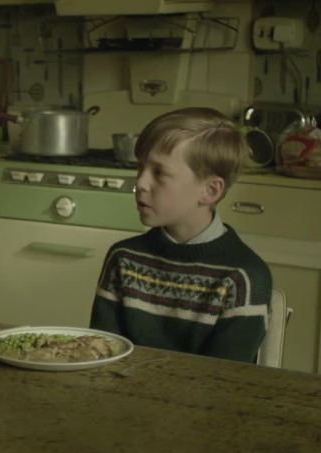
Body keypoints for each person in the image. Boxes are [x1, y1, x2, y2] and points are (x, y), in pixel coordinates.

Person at [89, 107, 271, 363]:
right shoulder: (122, 258)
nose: (140, 183)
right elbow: (100, 358)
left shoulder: (243, 278)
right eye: (140, 167)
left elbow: (224, 380)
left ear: (210, 191)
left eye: (159, 173)